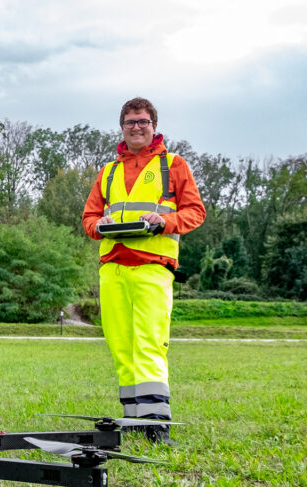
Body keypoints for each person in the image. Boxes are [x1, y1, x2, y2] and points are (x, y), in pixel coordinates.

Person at [82, 97, 206, 445]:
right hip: (113, 268)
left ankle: (157, 424)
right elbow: (89, 219)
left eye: (143, 121)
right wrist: (100, 223)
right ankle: (135, 419)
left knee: (149, 343)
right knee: (121, 346)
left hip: (153, 266)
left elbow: (195, 212)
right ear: (122, 127)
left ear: (154, 126)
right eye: (130, 122)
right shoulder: (108, 171)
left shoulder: (174, 164)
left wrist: (164, 221)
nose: (136, 127)